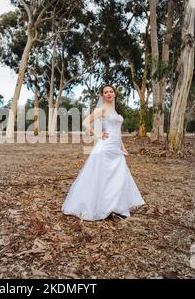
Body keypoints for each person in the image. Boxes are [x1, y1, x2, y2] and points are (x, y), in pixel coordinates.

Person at [62, 85, 145, 221]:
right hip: (105, 147)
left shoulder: (114, 110)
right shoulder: (102, 109)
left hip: (116, 149)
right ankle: (101, 206)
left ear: (115, 93)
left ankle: (118, 207)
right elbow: (85, 122)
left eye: (111, 91)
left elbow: (117, 132)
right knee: (103, 177)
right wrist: (98, 134)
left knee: (118, 177)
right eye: (106, 92)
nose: (109, 94)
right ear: (102, 95)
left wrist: (123, 147)